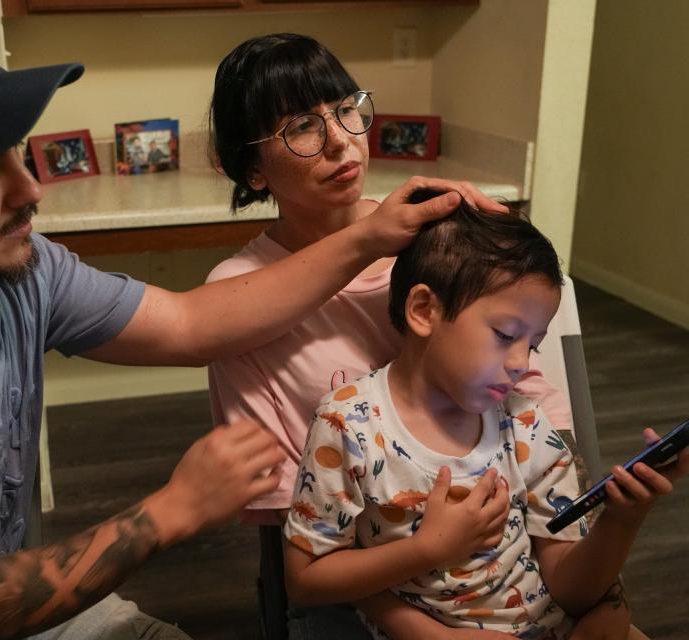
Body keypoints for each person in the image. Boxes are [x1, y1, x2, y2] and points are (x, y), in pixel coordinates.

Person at [0, 16, 478, 640]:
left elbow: (188, 324)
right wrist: (173, 509)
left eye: (15, 152)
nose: (32, 191)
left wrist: (371, 236)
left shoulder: (20, 270)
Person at [206, 33, 624, 639]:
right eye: (301, 126)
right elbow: (296, 535)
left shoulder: (437, 235)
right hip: (379, 578)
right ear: (250, 168)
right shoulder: (241, 298)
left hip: (514, 565)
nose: (342, 140)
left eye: (347, 109)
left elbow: (535, 433)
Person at [282, 199, 689, 638]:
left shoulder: (526, 425)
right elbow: (305, 581)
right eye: (505, 335)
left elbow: (570, 588)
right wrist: (427, 549)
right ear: (423, 310)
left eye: (532, 344)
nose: (522, 363)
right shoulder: (350, 425)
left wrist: (623, 519)